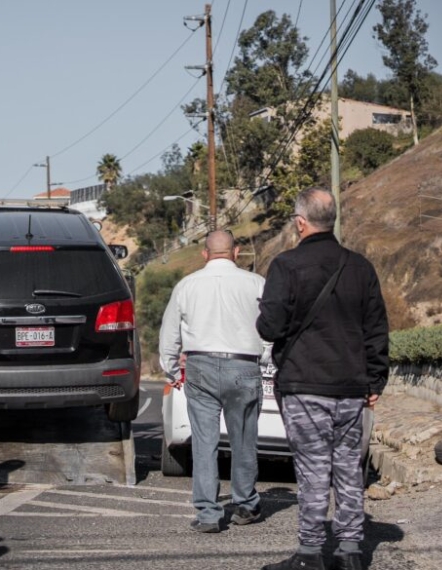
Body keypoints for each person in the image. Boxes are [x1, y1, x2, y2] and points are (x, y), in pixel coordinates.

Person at [257, 188, 389, 570]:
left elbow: (270, 327)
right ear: (332, 220)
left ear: (301, 223)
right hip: (351, 386)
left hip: (304, 383)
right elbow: (376, 328)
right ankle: (350, 552)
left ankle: (311, 554)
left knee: (313, 468)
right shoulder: (360, 267)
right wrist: (375, 381)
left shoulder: (285, 266)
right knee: (349, 467)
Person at [158, 230, 266, 533]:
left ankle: (208, 513)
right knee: (244, 440)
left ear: (205, 254)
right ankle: (245, 503)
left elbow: (169, 333)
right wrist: (267, 358)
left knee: (204, 443)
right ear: (236, 251)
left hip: (200, 365)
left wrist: (170, 369)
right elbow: (271, 327)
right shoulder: (256, 283)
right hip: (244, 365)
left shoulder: (187, 285)